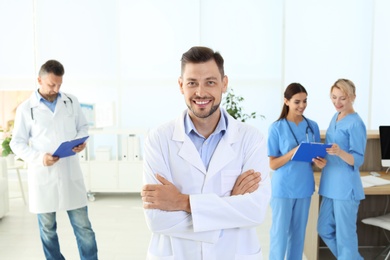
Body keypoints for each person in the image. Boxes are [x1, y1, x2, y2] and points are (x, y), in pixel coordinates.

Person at [140, 46, 271, 260]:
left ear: (224, 84)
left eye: (210, 82)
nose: (201, 92)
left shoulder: (250, 139)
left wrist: (182, 202)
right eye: (192, 83)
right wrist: (230, 205)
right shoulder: (158, 139)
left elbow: (255, 211)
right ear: (181, 86)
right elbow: (157, 219)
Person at [10, 60, 98, 260]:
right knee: (48, 231)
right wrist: (39, 158)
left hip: (70, 173)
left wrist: (80, 142)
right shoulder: (26, 109)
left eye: (59, 84)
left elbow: (83, 127)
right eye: (51, 85)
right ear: (39, 80)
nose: (56, 89)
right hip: (44, 175)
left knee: (84, 228)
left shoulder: (71, 101)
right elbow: (17, 143)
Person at [267, 83, 326, 260]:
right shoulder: (276, 128)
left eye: (305, 101)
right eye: (297, 101)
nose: (302, 105)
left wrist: (320, 162)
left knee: (299, 234)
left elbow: (314, 159)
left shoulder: (312, 126)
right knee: (279, 234)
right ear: (286, 101)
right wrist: (293, 153)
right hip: (283, 188)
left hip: (304, 187)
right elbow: (273, 164)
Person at [317, 79, 366, 259]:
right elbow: (331, 149)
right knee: (323, 229)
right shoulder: (335, 117)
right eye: (334, 97)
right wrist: (323, 159)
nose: (337, 103)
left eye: (342, 98)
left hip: (345, 188)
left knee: (346, 239)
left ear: (352, 97)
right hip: (330, 184)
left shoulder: (356, 123)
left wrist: (340, 152)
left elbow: (358, 159)